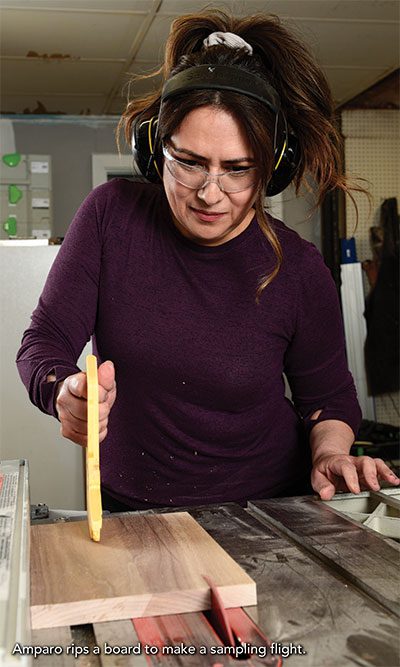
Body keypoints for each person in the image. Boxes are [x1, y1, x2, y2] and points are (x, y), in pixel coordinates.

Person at [16, 10, 399, 511]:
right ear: (155, 149)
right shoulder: (111, 217)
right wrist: (61, 389)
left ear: (273, 168)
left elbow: (327, 397)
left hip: (267, 511)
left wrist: (329, 451)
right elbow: (43, 342)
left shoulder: (299, 270)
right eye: (189, 163)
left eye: (238, 169)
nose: (210, 194)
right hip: (134, 508)